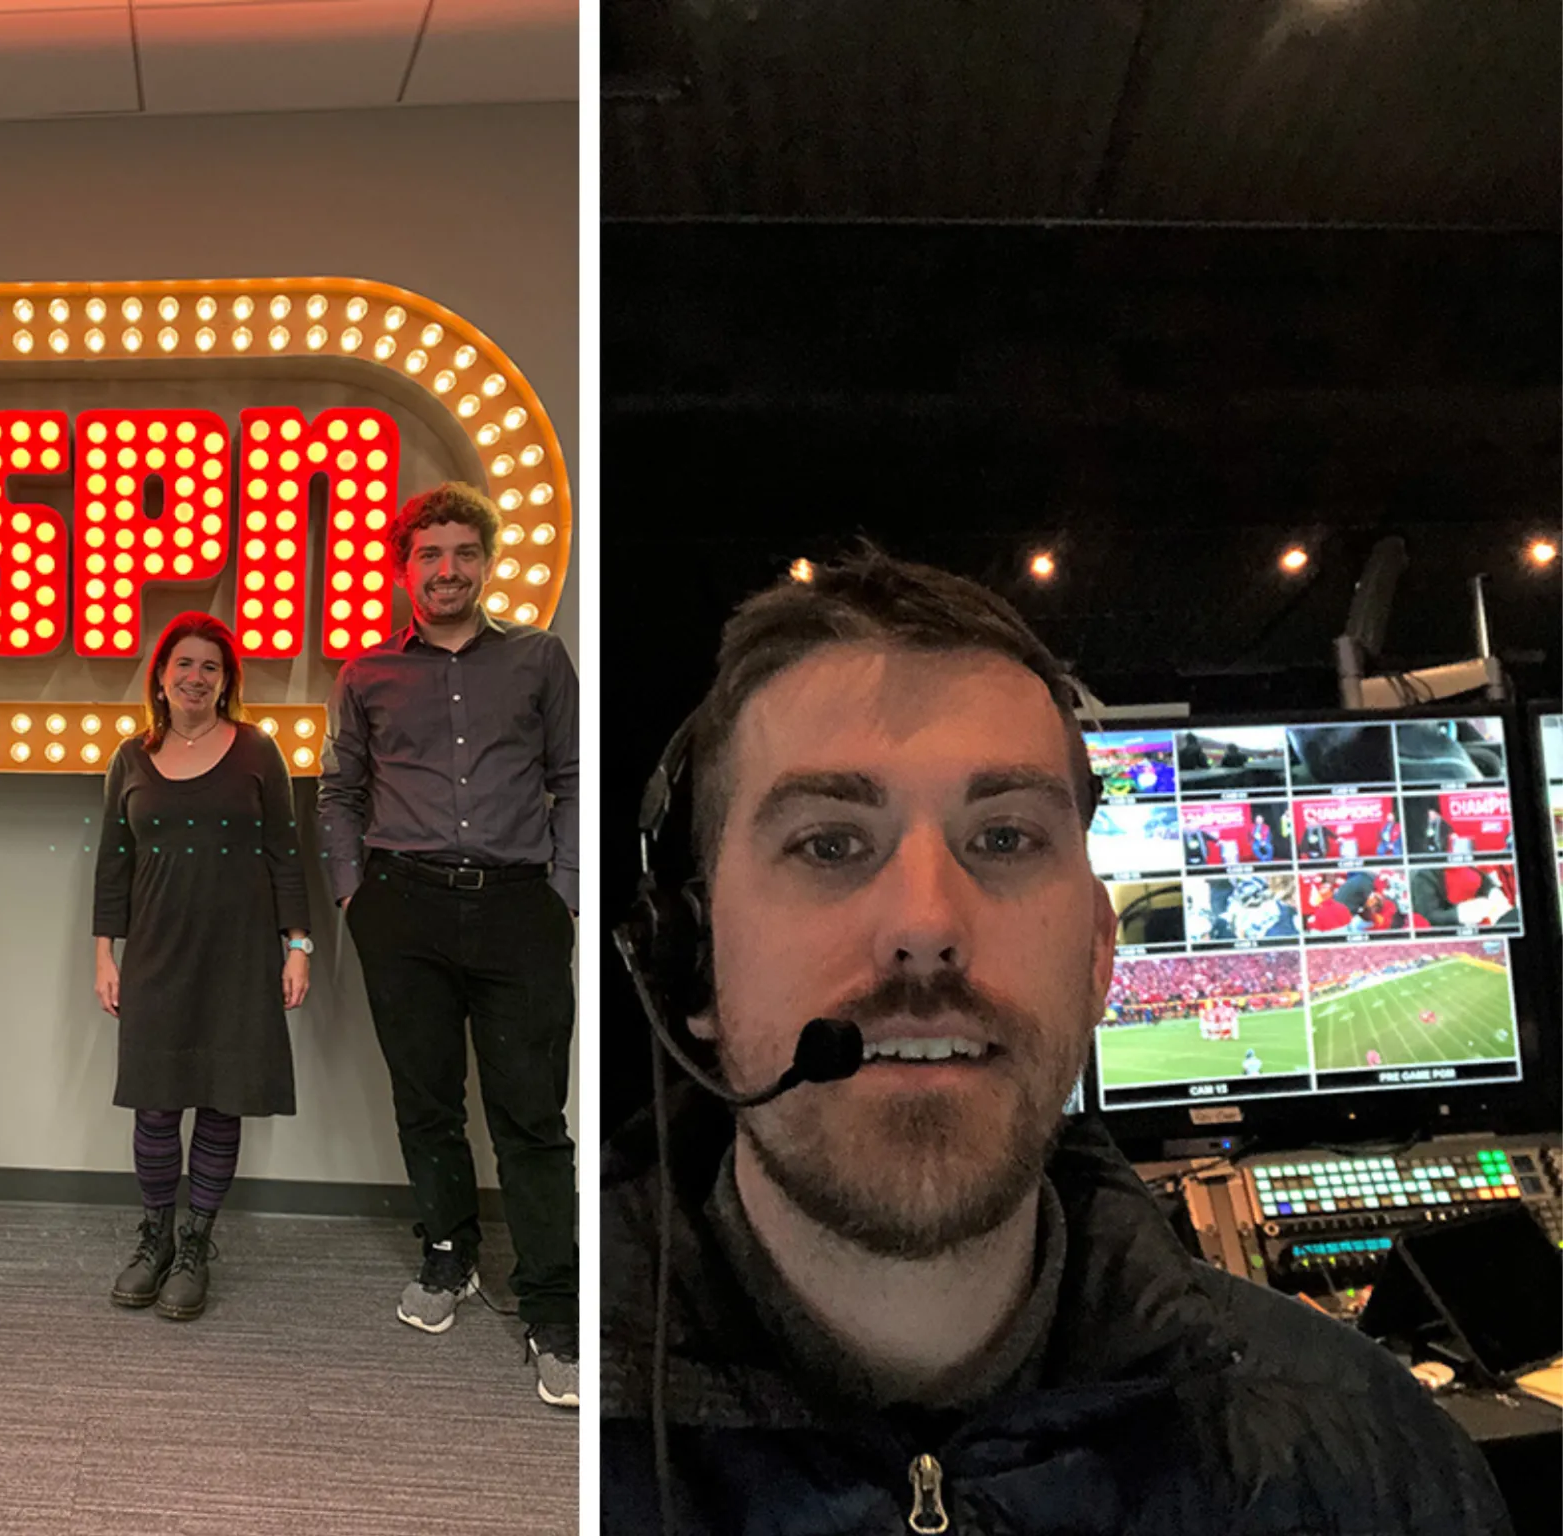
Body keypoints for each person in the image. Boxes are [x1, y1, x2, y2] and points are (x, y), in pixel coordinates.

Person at [602, 548, 1509, 1533]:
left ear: (1097, 954)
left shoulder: (1376, 1462)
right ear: (688, 964)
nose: (925, 922)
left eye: (1003, 838)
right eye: (829, 844)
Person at [318, 482, 579, 1409]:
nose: (448, 570)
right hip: (404, 911)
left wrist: (566, 893)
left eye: (464, 552)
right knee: (426, 1101)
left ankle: (554, 1306)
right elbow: (339, 792)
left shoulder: (541, 660)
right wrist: (355, 895)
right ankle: (448, 1254)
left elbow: (573, 778)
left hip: (519, 911)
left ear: (488, 562)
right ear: (404, 568)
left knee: (530, 1117)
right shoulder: (366, 675)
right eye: (430, 554)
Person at [93, 612, 312, 1322]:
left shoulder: (257, 751)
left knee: (221, 1101)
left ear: (226, 681)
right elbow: (113, 864)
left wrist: (298, 946)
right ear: (161, 675)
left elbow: (286, 851)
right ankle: (154, 1237)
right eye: (183, 664)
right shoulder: (130, 757)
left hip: (241, 954)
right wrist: (105, 953)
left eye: (210, 667)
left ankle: (196, 1244)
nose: (195, 677)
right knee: (156, 1104)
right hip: (156, 952)